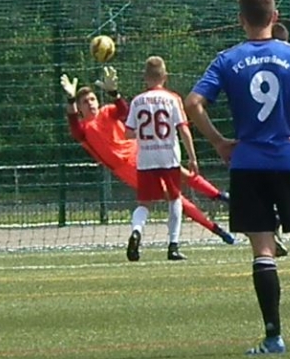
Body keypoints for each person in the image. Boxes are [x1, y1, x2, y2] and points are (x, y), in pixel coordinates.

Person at [185, 0, 290, 354]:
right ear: (274, 17)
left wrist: (218, 142)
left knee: (263, 251)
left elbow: (193, 103)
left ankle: (274, 337)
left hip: (247, 165)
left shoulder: (227, 60)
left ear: (241, 20)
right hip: (289, 162)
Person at [60, 66, 235, 245]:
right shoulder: (84, 129)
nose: (90, 103)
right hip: (127, 167)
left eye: (92, 99)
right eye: (85, 102)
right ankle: (215, 228)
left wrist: (114, 93)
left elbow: (124, 112)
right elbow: (74, 126)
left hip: (142, 151)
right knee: (173, 196)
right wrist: (71, 99)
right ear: (79, 108)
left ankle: (220, 196)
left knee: (183, 174)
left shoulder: (107, 112)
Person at [122, 56, 198, 261]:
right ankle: (173, 245)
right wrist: (192, 157)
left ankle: (137, 231)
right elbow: (183, 129)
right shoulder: (172, 99)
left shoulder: (137, 101)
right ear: (165, 76)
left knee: (144, 203)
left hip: (146, 158)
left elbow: (128, 133)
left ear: (145, 78)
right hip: (168, 157)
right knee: (175, 199)